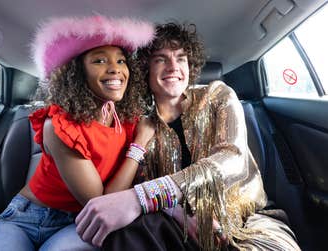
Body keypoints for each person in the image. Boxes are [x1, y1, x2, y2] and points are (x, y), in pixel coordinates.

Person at [75, 22, 301, 250]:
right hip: (179, 225)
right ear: (145, 69)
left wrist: (145, 196)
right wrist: (178, 212)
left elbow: (231, 158)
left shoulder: (217, 95)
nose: (173, 66)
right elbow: (131, 190)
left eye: (181, 58)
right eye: (161, 59)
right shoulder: (139, 125)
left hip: (247, 220)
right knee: (125, 235)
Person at [0, 15, 154, 251]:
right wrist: (138, 146)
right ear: (77, 73)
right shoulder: (59, 125)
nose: (115, 70)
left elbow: (101, 209)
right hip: (27, 218)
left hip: (81, 222)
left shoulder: (129, 120)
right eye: (99, 61)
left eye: (121, 61)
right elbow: (99, 201)